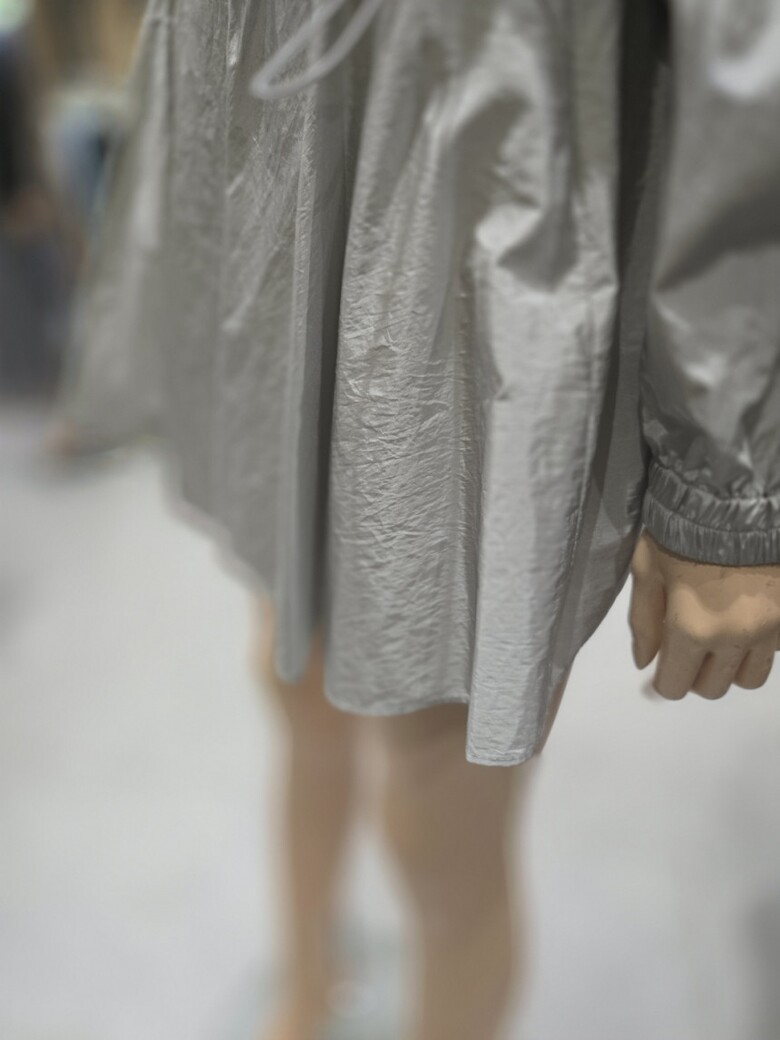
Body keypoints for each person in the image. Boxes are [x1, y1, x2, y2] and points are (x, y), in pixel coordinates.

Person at [60, 2, 780, 1038]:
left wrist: (733, 473)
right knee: (290, 670)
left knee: (441, 810)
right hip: (260, 143)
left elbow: (748, 46)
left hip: (483, 169)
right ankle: (306, 993)